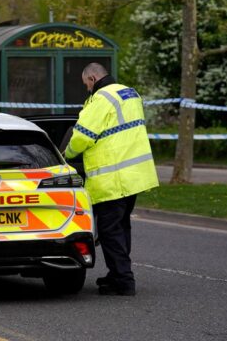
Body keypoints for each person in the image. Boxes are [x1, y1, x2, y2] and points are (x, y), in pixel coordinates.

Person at [65, 63, 158, 296]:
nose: (87, 88)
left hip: (112, 178)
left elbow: (82, 136)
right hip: (134, 176)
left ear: (92, 78)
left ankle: (124, 280)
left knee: (110, 231)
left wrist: (66, 155)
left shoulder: (101, 99)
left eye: (86, 84)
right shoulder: (130, 94)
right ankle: (117, 274)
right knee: (122, 227)